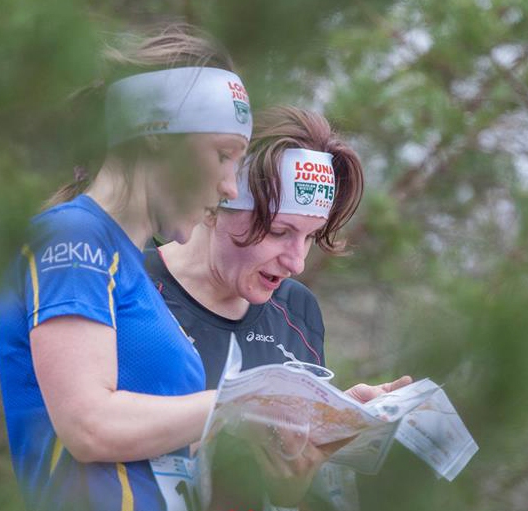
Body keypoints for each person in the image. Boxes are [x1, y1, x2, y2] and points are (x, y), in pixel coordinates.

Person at [0, 25, 253, 511]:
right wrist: (243, 402)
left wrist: (316, 418)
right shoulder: (73, 238)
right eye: (223, 156)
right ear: (157, 136)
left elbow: (169, 460)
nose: (231, 188)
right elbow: (89, 426)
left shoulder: (129, 268)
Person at [146, 106, 411, 510]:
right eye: (279, 232)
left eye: (310, 237)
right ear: (216, 204)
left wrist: (298, 476)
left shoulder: (296, 309)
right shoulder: (130, 285)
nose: (296, 262)